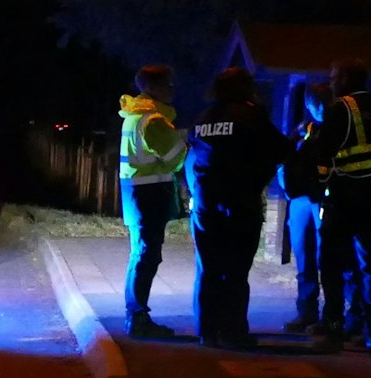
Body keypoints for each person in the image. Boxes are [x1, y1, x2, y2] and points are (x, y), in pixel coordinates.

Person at [183, 67, 290, 349]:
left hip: (206, 204)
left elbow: (193, 156)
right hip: (240, 204)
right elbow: (282, 150)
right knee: (236, 271)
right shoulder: (251, 116)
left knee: (208, 268)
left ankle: (207, 331)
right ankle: (232, 332)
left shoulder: (203, 118)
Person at [313, 58, 371, 351]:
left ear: (345, 79)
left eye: (333, 77)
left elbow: (322, 153)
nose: (330, 83)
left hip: (342, 198)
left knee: (331, 265)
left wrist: (319, 182)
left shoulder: (340, 108)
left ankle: (333, 329)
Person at [117, 65, 188, 338]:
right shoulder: (153, 120)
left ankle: (135, 314)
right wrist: (185, 141)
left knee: (141, 253)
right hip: (149, 195)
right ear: (153, 88)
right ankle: (138, 318)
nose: (172, 89)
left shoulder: (134, 116)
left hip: (137, 192)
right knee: (147, 254)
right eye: (168, 84)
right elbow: (175, 158)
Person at [280, 83, 332, 332]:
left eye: (323, 101)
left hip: (322, 199)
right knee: (304, 259)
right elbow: (285, 155)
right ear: (310, 104)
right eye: (316, 102)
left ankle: (332, 316)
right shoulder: (304, 130)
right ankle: (307, 312)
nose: (320, 107)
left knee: (328, 259)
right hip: (300, 200)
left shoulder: (335, 129)